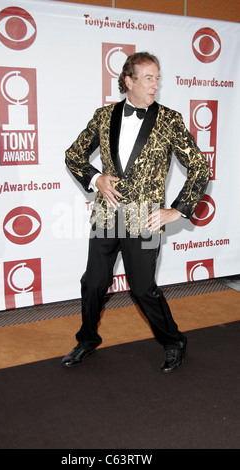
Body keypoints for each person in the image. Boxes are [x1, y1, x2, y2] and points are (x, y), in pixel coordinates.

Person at [62, 52, 209, 373]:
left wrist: (179, 210)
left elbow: (200, 167)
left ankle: (174, 342)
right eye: (148, 78)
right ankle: (87, 339)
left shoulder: (170, 120)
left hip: (144, 219)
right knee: (93, 283)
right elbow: (73, 155)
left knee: (142, 288)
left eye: (158, 78)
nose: (156, 84)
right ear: (128, 81)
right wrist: (95, 178)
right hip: (106, 215)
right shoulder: (104, 116)